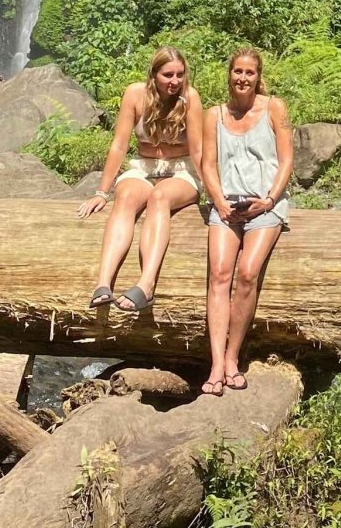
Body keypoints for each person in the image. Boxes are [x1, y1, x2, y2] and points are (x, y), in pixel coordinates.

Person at [76, 45, 204, 315]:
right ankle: (103, 284)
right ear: (154, 74)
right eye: (168, 75)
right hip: (144, 166)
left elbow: (198, 149)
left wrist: (213, 193)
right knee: (125, 197)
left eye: (180, 75)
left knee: (160, 197)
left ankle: (146, 285)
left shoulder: (190, 97)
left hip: (182, 169)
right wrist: (102, 191)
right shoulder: (135, 94)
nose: (175, 81)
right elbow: (119, 145)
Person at [199, 47, 293, 396]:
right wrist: (219, 201)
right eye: (237, 71)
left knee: (247, 273)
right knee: (219, 275)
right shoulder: (214, 115)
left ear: (258, 76)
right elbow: (208, 164)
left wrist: (269, 199)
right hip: (227, 207)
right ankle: (216, 364)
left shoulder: (274, 108)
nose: (242, 78)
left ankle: (232, 357)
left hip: (266, 206)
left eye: (249, 73)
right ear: (229, 74)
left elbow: (286, 160)